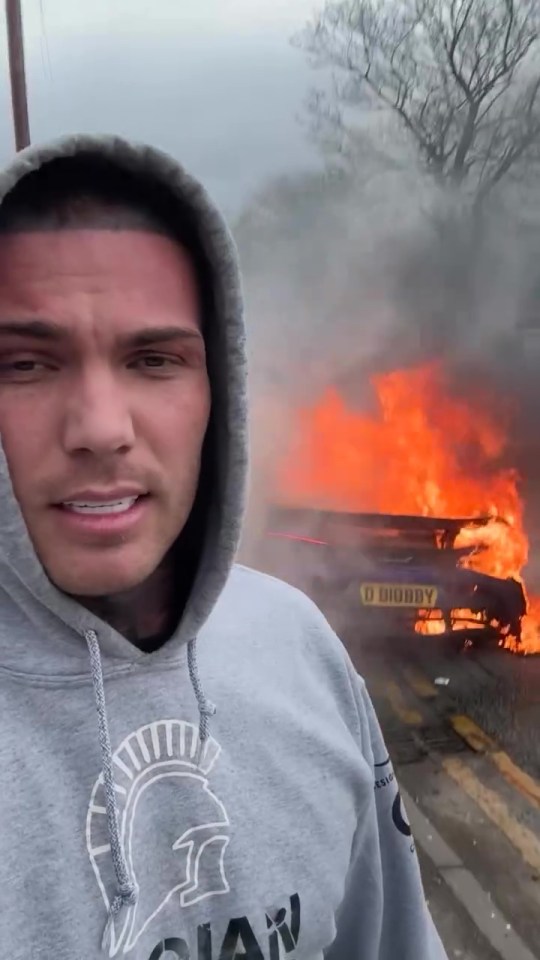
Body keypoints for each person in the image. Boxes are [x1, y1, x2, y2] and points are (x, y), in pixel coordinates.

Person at [0, 134, 447, 960]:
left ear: (220, 389)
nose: (101, 428)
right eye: (26, 364)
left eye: (154, 359)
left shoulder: (299, 646)